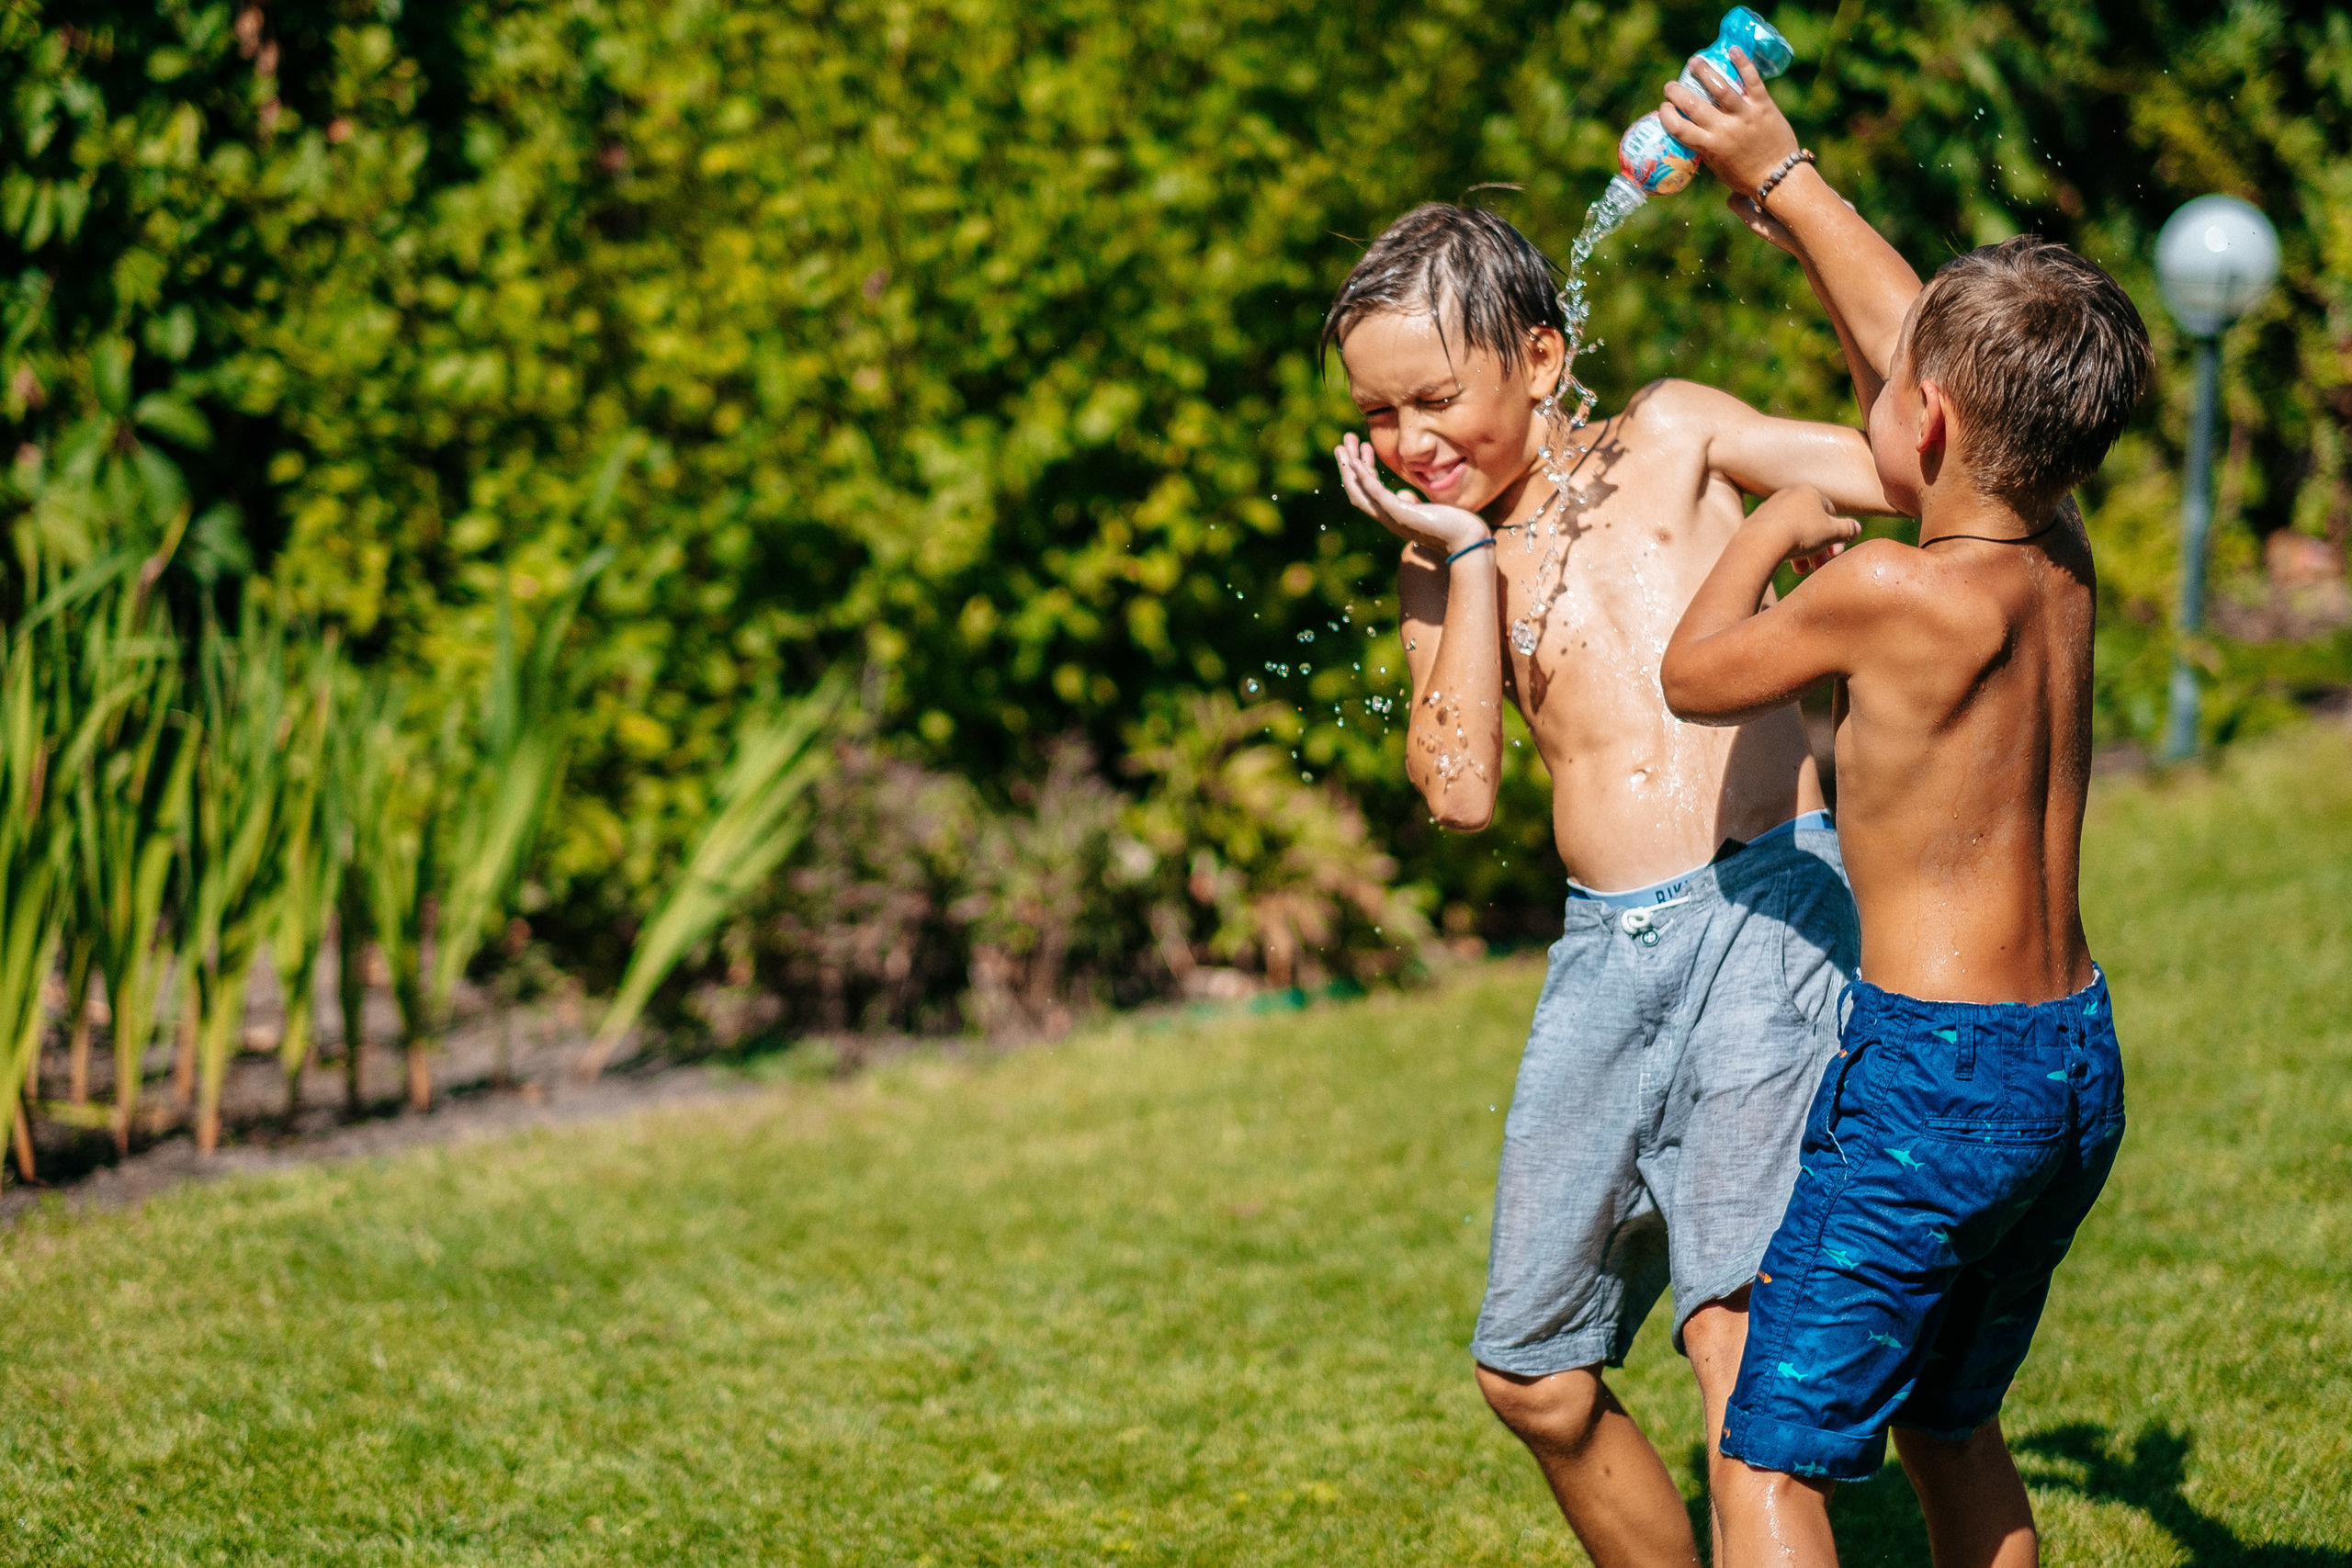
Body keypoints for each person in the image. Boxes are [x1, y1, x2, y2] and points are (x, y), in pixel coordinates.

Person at [1326, 202, 1886, 1568]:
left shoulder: (1674, 433)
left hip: (1765, 907)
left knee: (1730, 1332)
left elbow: (1909, 468)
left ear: (1540, 356)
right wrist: (1461, 563)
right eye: (1379, 415)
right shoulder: (1435, 563)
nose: (1411, 442)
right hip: (1604, 957)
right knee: (1532, 1373)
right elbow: (1458, 790)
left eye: (1436, 398)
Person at [1655, 51, 2154, 1568]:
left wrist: (1776, 525)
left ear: (1923, 425)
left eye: (1885, 394)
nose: (1867, 388)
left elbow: (1695, 676)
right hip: (2069, 1064)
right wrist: (1783, 174)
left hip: (1934, 1079)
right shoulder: (2054, 558)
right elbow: (1922, 352)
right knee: (1948, 1425)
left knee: (1772, 1459)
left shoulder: (1885, 583)